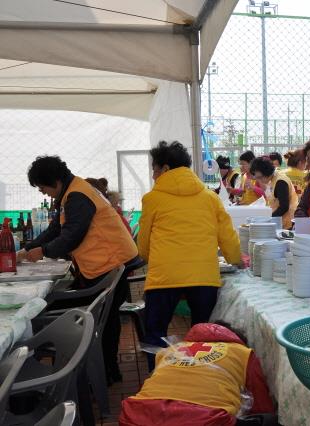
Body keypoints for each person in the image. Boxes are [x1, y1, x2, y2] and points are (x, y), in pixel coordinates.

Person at [18, 156, 140, 384]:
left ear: (54, 180)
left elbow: (72, 236)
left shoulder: (77, 196)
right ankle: (107, 372)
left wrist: (42, 251)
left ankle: (107, 373)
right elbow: (56, 229)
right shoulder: (70, 193)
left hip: (111, 263)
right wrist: (27, 250)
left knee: (107, 321)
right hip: (105, 263)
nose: (43, 192)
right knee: (108, 320)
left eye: (42, 187)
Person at [137, 141, 241, 369]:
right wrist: (236, 260)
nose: (153, 175)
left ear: (165, 169)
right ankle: (199, 380)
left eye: (154, 169)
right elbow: (228, 236)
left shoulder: (152, 199)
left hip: (164, 276)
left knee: (155, 333)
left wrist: (148, 259)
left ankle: (159, 382)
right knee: (202, 333)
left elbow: (143, 243)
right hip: (203, 276)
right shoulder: (209, 198)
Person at [120, 323, 275, 426]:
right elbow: (261, 404)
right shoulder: (243, 352)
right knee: (269, 420)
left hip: (136, 415)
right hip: (205, 419)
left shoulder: (170, 351)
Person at [250, 157, 299, 229]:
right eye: (257, 178)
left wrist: (268, 219)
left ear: (266, 172)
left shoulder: (280, 182)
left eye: (260, 177)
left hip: (287, 224)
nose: (259, 180)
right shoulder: (273, 178)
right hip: (280, 221)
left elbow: (284, 207)